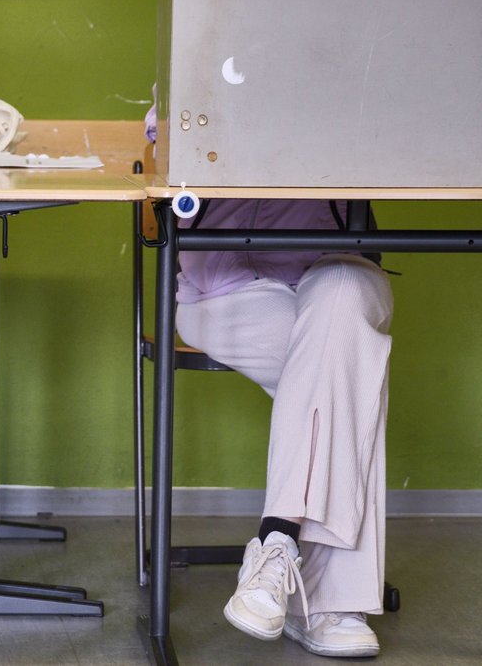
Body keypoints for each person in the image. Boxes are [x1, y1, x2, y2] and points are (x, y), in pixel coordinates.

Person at [147, 106, 394, 658]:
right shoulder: (205, 53)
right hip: (225, 291)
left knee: (341, 317)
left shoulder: (354, 62)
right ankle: (330, 604)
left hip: (333, 269)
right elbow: (163, 135)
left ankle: (276, 542)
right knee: (348, 373)